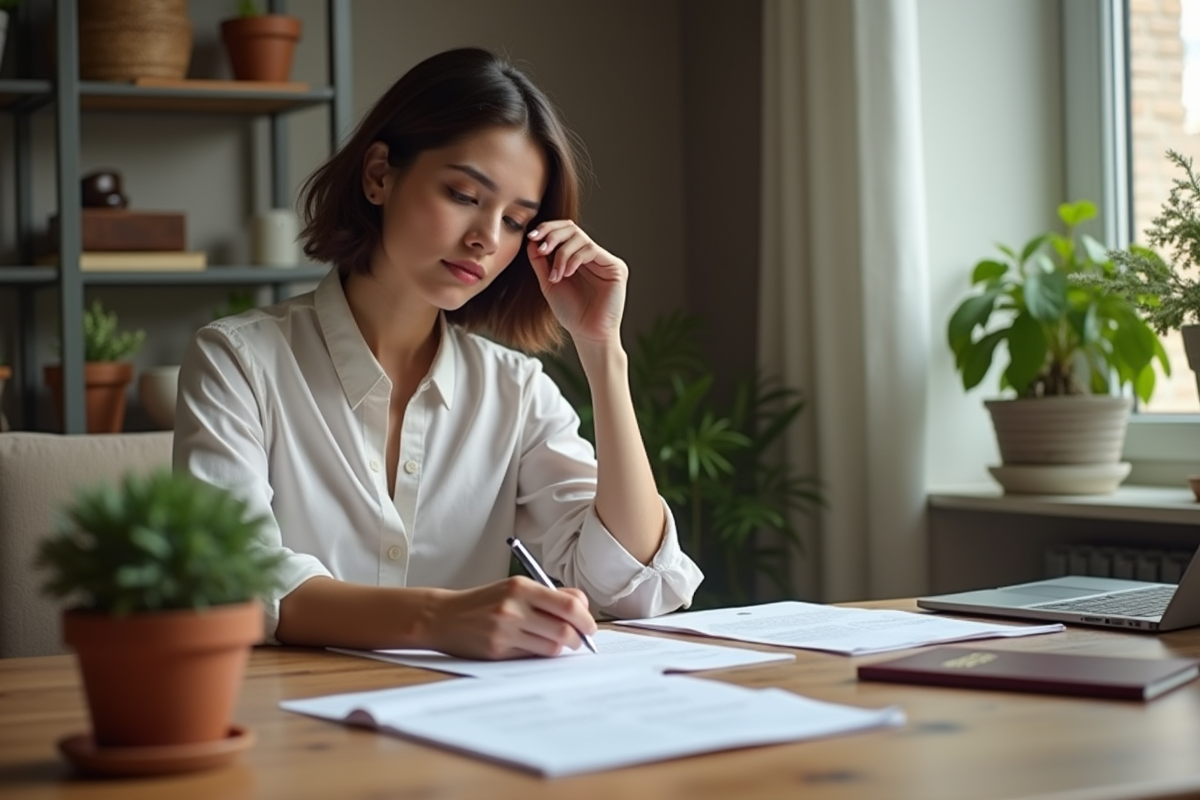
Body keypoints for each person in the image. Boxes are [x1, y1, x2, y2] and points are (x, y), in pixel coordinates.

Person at [174, 47, 703, 660]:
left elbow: (635, 589)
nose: (484, 238)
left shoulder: (516, 391)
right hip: (287, 728)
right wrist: (435, 617)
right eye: (463, 194)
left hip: (466, 733)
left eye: (515, 221)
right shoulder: (238, 361)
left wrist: (602, 350)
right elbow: (229, 581)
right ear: (379, 175)